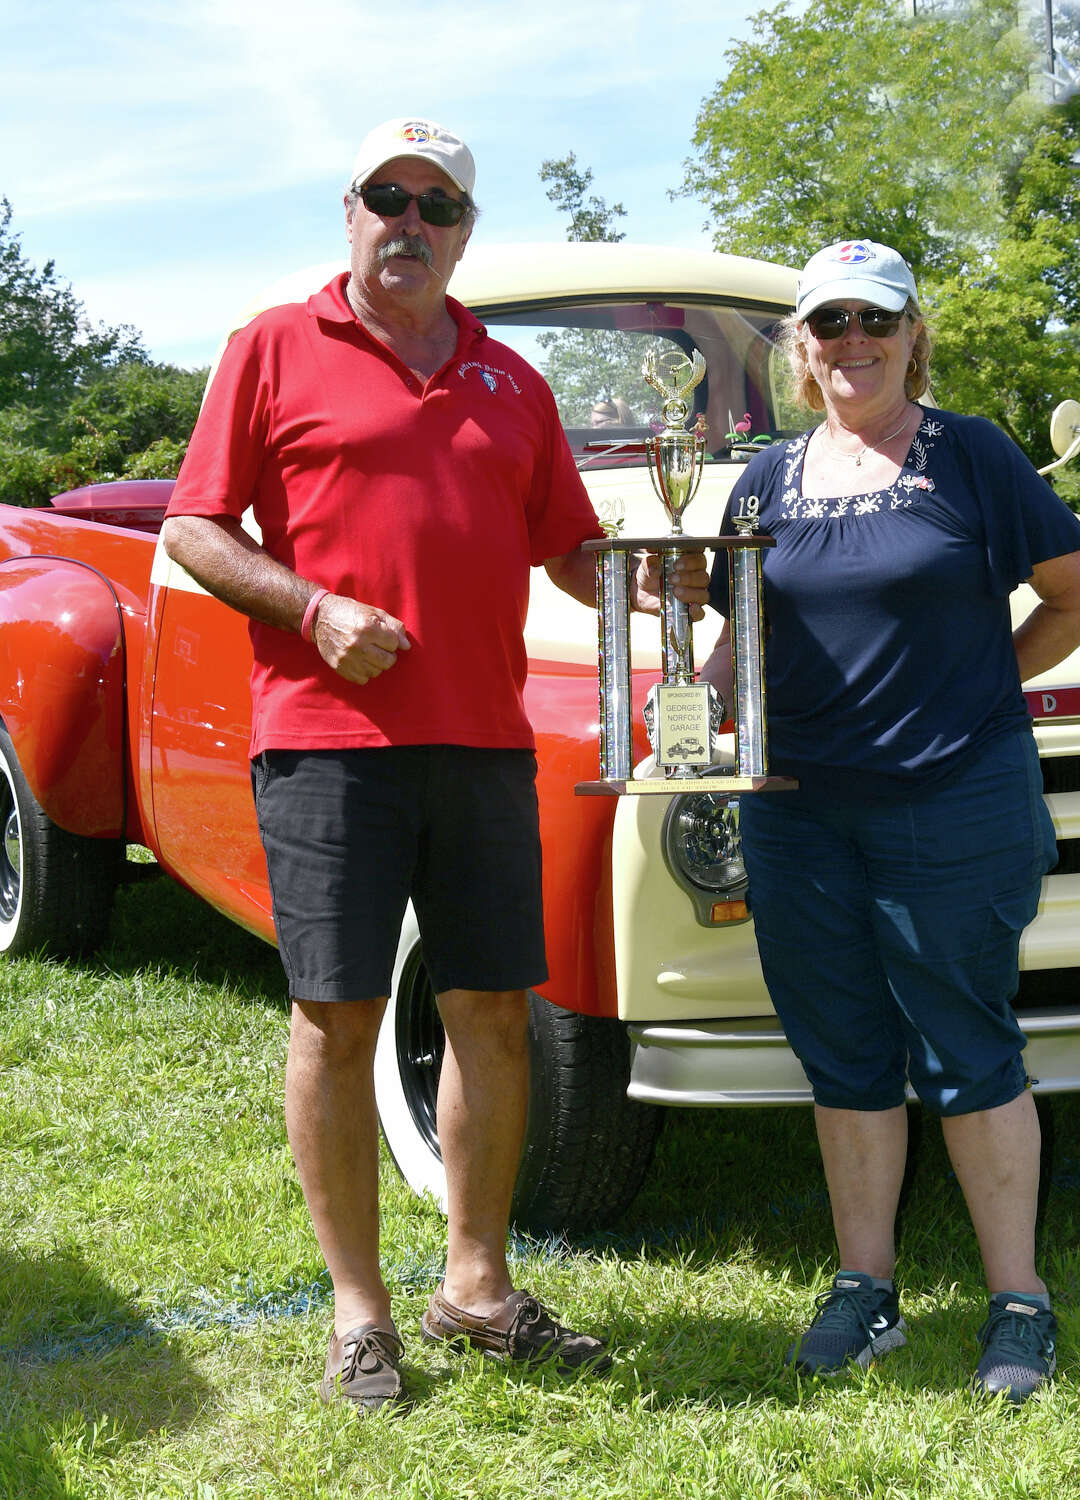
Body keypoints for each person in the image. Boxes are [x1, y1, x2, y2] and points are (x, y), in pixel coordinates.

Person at [161, 116, 706, 1412]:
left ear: (466, 229)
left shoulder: (512, 382)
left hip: (480, 742)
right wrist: (312, 611)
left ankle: (476, 1286)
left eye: (440, 205)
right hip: (328, 745)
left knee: (494, 1017)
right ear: (349, 211)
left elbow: (569, 546)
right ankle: (360, 1314)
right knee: (336, 1021)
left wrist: (656, 576)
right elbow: (192, 524)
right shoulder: (272, 347)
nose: (412, 221)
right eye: (389, 197)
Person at [701, 239, 1080, 1404]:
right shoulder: (764, 480)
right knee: (841, 1050)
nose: (851, 342)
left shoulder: (970, 455)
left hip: (953, 801)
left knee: (966, 1043)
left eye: (872, 321)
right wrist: (693, 701)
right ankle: (863, 1288)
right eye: (827, 324)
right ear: (801, 346)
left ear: (911, 334)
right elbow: (743, 637)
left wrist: (984, 685)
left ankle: (1019, 1301)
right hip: (797, 813)